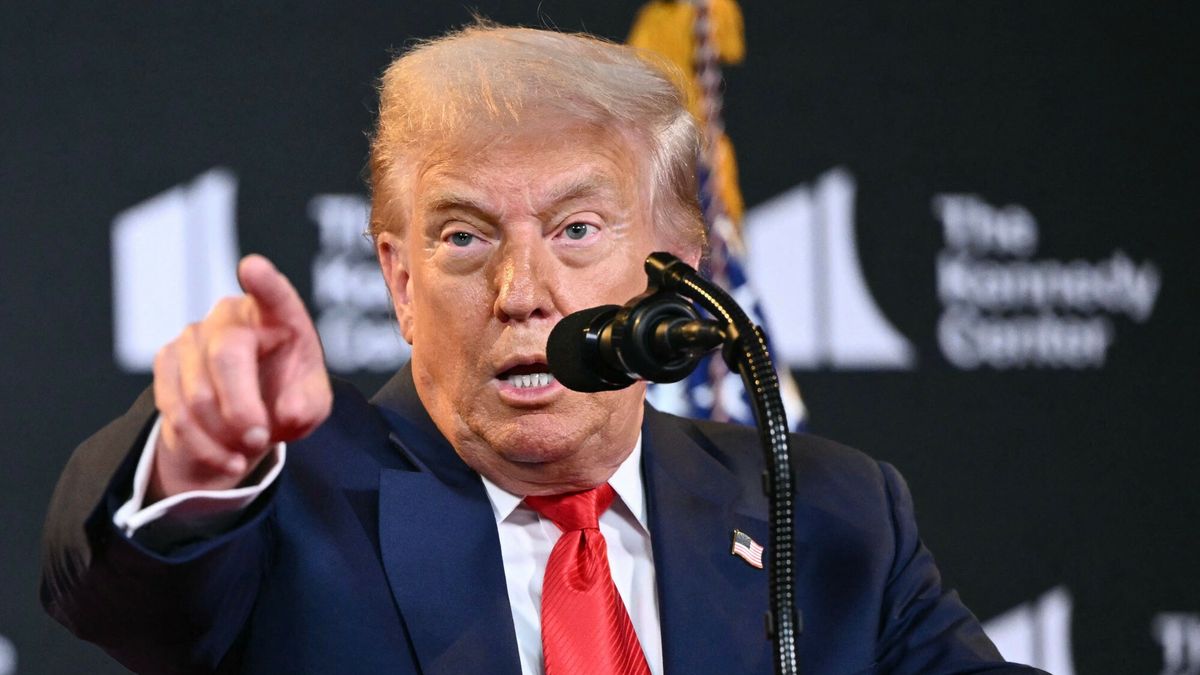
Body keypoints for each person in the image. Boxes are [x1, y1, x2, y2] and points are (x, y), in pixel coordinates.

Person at [41, 24, 1043, 675]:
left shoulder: (826, 513)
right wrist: (198, 464)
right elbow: (113, 592)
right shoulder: (296, 500)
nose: (521, 293)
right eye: (463, 237)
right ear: (399, 279)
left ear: (680, 270)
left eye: (576, 230)